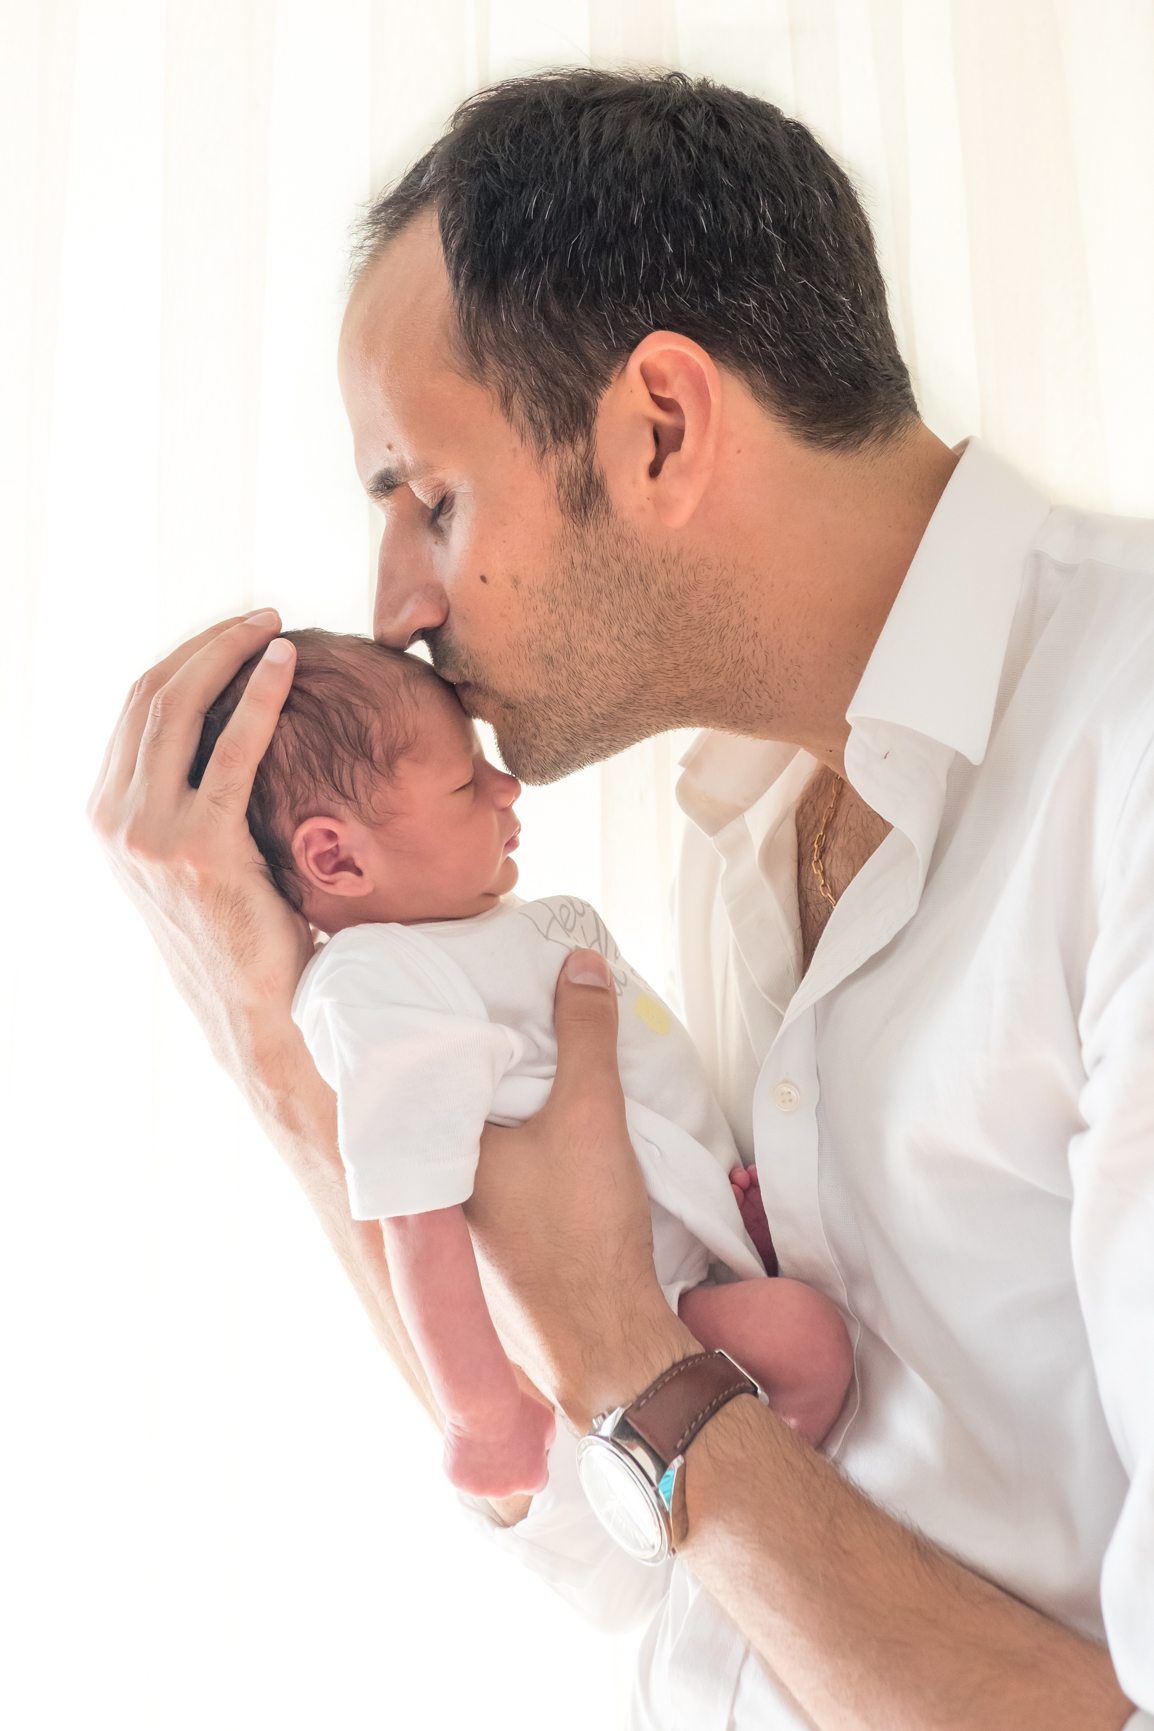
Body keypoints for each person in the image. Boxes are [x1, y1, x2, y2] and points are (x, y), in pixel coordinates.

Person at [88, 69, 1151, 1730]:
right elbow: (628, 1546)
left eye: (428, 499)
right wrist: (272, 1027)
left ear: (656, 424)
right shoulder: (728, 835)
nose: (398, 603)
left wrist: (626, 1365)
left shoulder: (1126, 763)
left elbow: (643, 1420)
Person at [191, 625, 851, 1498]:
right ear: (336, 856)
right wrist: (480, 1409)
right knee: (810, 1345)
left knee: (802, 1319)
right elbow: (414, 1215)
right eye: (467, 782)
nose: (506, 785)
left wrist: (718, 1192)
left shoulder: (456, 937)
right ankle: (759, 1487)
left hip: (693, 1233)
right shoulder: (376, 982)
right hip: (647, 1296)